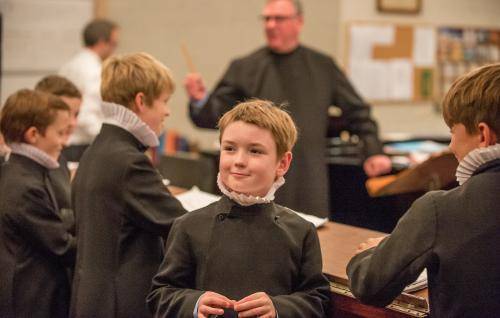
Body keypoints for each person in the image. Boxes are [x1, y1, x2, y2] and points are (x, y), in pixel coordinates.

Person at [184, 0, 391, 217]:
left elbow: (358, 112)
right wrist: (200, 101)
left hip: (308, 177)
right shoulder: (244, 67)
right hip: (256, 179)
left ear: (299, 22)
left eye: (279, 19)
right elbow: (214, 118)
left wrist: (374, 151)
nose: (271, 25)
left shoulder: (322, 66)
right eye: (267, 19)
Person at [147, 100, 330, 318]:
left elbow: (317, 299)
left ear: (282, 163)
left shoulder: (302, 232)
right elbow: (160, 296)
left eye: (255, 151)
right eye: (230, 149)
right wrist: (194, 304)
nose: (239, 161)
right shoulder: (188, 226)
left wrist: (279, 309)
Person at [346, 63, 500, 317]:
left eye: (453, 132)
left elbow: (369, 285)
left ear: (483, 135)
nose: (451, 145)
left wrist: (374, 252)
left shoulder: (440, 209)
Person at [70, 52, 187, 318]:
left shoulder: (97, 150)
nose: (167, 111)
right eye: (164, 102)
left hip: (93, 299)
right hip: (119, 303)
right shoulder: (128, 161)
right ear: (141, 101)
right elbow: (181, 225)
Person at [0, 89, 75, 317]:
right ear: (33, 135)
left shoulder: (22, 171)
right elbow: (61, 246)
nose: (64, 142)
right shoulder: (26, 185)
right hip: (31, 300)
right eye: (60, 133)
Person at [59, 19, 119, 161]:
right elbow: (86, 116)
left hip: (65, 142)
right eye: (113, 44)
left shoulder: (69, 65)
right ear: (101, 42)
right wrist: (112, 140)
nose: (114, 49)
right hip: (81, 146)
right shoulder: (95, 71)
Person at [35, 74, 83, 215]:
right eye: (66, 114)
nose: (73, 123)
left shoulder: (58, 157)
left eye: (77, 115)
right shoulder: (30, 165)